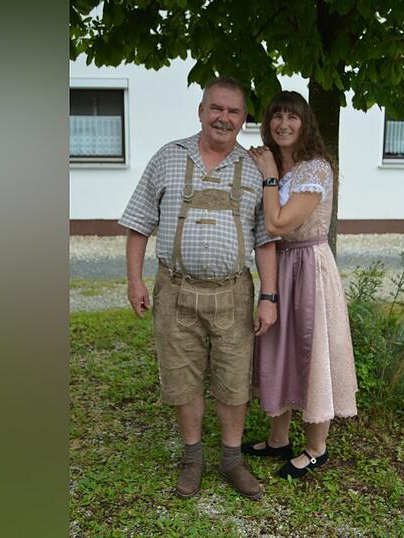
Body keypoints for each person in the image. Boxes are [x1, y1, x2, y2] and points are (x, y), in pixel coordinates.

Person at [118, 77, 279, 500]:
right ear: (201, 111)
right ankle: (193, 459)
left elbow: (266, 240)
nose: (223, 118)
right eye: (216, 108)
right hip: (175, 290)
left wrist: (268, 297)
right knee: (181, 374)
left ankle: (231, 460)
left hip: (232, 293)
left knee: (232, 377)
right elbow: (138, 225)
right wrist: (135, 281)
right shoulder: (167, 158)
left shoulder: (254, 169)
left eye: (234, 111)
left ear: (244, 119)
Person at [243, 90, 358, 478]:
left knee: (312, 351)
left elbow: (278, 223)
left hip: (309, 266)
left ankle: (315, 448)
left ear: (305, 124)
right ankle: (279, 439)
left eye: (292, 117)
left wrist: (270, 175)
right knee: (278, 347)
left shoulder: (315, 169)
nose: (283, 124)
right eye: (276, 116)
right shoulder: (278, 167)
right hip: (280, 265)